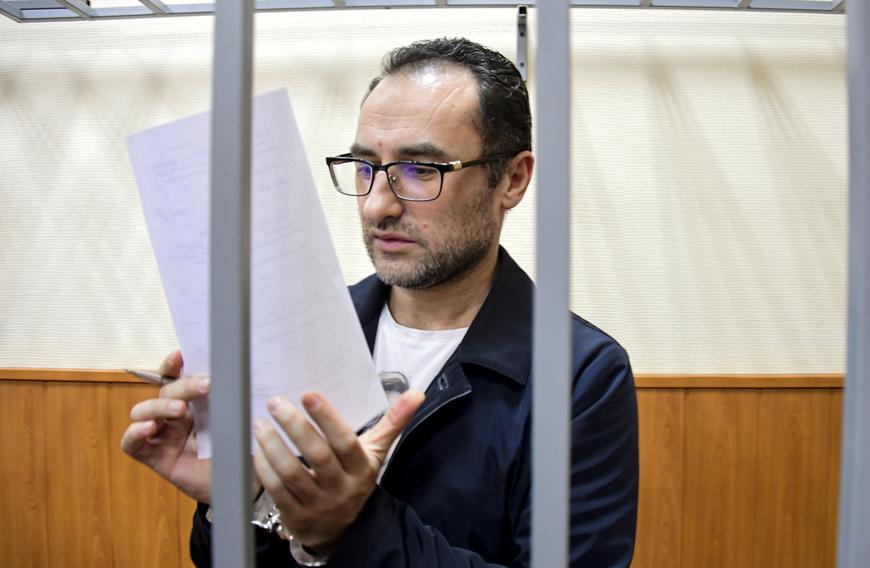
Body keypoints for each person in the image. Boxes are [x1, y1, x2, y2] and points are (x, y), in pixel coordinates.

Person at [121, 37, 638, 567]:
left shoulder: (580, 375)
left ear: (513, 178)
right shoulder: (308, 333)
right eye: (365, 167)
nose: (376, 205)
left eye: (421, 170)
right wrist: (239, 503)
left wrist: (354, 526)